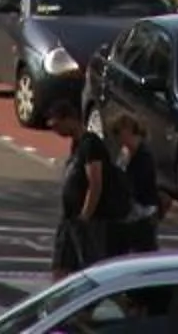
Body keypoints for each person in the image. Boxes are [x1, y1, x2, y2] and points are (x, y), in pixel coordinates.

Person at [44, 102, 111, 276]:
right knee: (60, 267)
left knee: (91, 269)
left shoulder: (91, 144)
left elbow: (95, 182)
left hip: (85, 220)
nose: (56, 131)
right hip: (69, 219)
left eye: (57, 125)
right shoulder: (77, 144)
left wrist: (86, 215)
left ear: (70, 120)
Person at [108, 112, 161, 255]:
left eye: (118, 133)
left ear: (128, 130)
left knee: (143, 255)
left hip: (142, 215)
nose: (117, 139)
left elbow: (139, 185)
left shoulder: (143, 156)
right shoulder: (125, 153)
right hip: (127, 215)